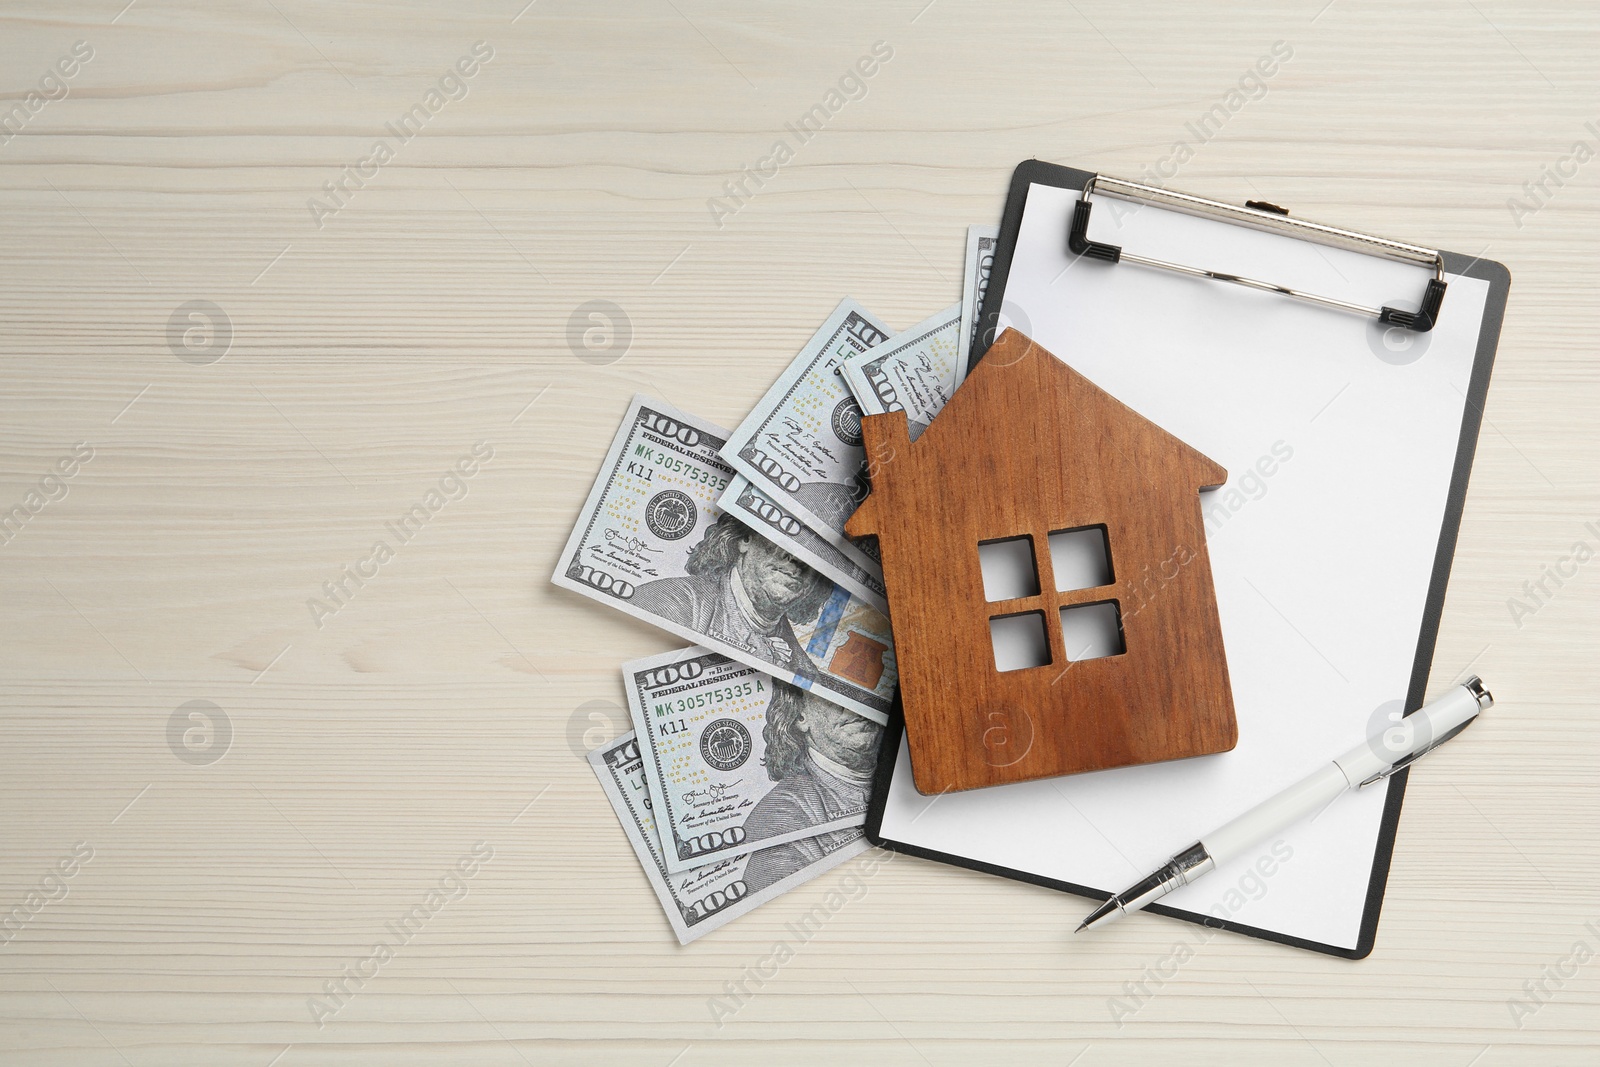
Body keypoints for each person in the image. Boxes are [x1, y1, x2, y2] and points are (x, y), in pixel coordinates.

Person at [632, 514, 833, 674]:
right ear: (745, 538)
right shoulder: (668, 601)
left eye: (816, 555)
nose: (798, 561)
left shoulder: (805, 671)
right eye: (789, 539)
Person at [740, 684, 883, 893]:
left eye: (867, 687)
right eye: (837, 692)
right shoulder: (782, 815)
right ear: (800, 717)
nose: (860, 701)